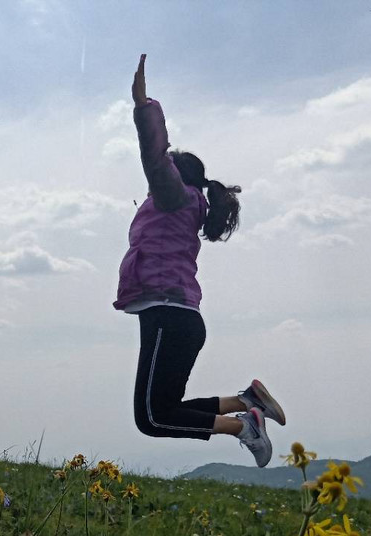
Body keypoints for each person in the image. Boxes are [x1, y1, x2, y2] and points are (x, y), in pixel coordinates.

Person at [115, 55, 284, 467]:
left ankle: (246, 424)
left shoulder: (174, 197)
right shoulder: (182, 205)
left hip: (168, 316)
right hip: (176, 318)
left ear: (176, 176)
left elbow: (156, 159)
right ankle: (244, 401)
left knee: (153, 417)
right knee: (165, 407)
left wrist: (144, 106)